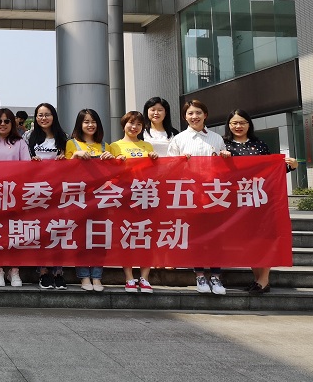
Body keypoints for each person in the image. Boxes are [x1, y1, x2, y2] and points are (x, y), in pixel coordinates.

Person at [223, 108, 298, 295]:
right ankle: (257, 279)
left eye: (242, 122)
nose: (238, 126)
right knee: (249, 240)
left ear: (249, 124)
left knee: (262, 239)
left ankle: (264, 280)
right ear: (229, 125)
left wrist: (291, 166)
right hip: (238, 202)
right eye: (234, 123)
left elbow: (271, 171)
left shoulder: (260, 145)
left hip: (260, 200)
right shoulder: (224, 145)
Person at [167, 99, 231, 295]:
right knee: (195, 235)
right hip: (190, 194)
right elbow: (168, 168)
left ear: (205, 115)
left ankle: (216, 276)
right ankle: (200, 274)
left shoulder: (216, 138)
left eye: (198, 113)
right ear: (185, 117)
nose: (194, 116)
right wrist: (180, 162)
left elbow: (224, 168)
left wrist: (225, 157)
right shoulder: (178, 140)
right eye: (190, 113)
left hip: (213, 194)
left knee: (216, 236)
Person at [110, 111, 158, 294]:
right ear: (124, 125)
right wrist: (116, 163)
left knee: (146, 236)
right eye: (131, 123)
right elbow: (109, 172)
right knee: (126, 236)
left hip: (145, 195)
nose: (134, 127)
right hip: (125, 196)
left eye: (139, 124)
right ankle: (129, 277)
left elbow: (154, 171)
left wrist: (154, 160)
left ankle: (144, 278)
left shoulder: (147, 145)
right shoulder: (114, 146)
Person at [65, 108, 113, 291]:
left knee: (100, 237)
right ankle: (84, 276)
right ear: (80, 124)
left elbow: (113, 173)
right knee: (81, 238)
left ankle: (97, 276)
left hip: (100, 198)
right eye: (86, 121)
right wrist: (75, 156)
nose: (90, 125)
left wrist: (112, 160)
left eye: (93, 121)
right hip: (79, 198)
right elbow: (63, 172)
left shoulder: (105, 146)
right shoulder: (72, 144)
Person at [24, 102, 69, 289]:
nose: (43, 118)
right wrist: (31, 161)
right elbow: (22, 161)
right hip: (37, 191)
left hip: (58, 191)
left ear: (54, 116)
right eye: (40, 115)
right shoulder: (28, 136)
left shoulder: (63, 137)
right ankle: (43, 272)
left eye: (47, 114)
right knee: (40, 232)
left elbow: (70, 162)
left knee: (57, 231)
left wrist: (64, 160)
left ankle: (58, 272)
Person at [0, 108, 30, 288]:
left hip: (15, 194)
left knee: (15, 233)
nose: (3, 124)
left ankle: (14, 270)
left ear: (12, 123)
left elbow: (27, 168)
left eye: (6, 121)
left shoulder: (20, 143)